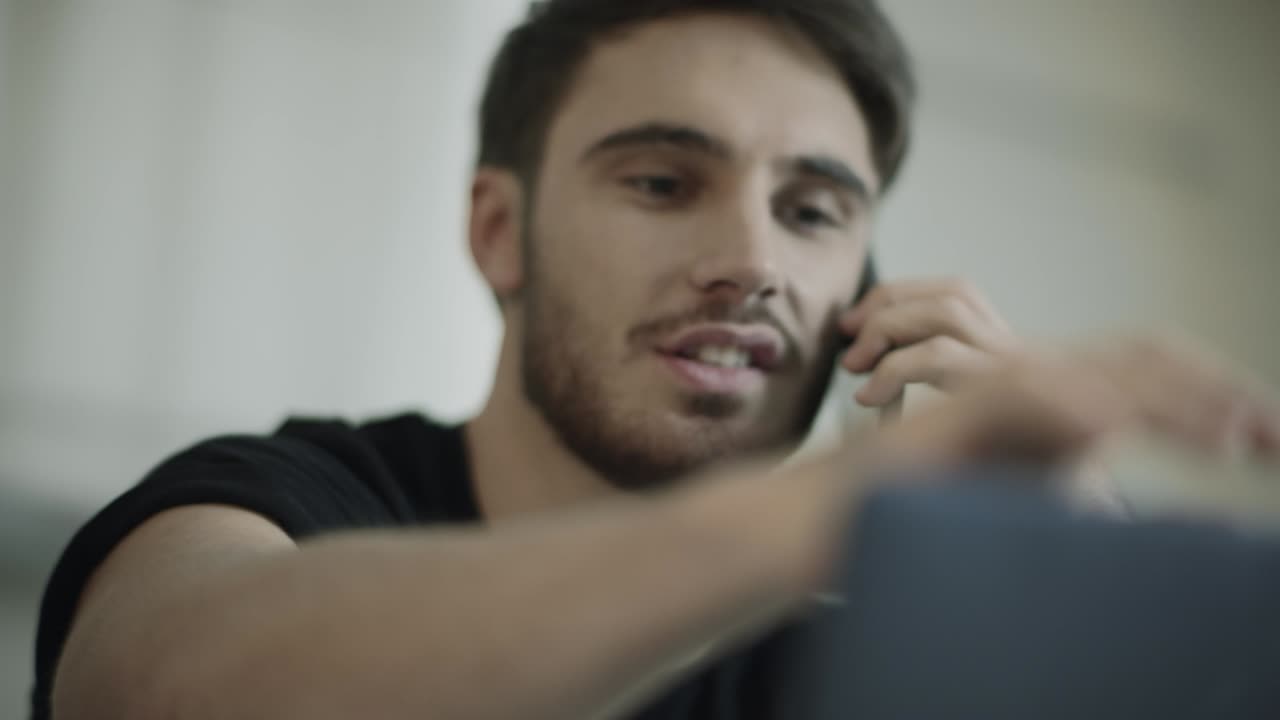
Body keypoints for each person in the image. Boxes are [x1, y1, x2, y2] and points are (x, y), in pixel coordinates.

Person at [32, 1, 1280, 718]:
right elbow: (155, 693)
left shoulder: (864, 660)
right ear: (498, 231)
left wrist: (1074, 579)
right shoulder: (281, 502)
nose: (750, 260)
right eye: (662, 181)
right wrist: (824, 511)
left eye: (811, 212)